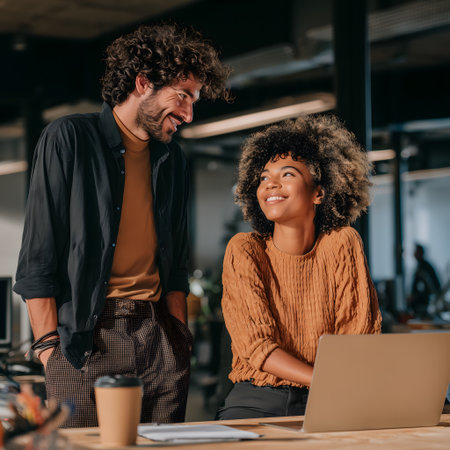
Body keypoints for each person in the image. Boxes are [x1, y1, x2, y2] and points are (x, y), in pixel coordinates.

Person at [14, 23, 230, 428]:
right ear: (143, 83)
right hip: (86, 339)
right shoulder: (70, 138)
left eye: (193, 100)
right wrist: (49, 350)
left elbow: (176, 265)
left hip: (159, 337)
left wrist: (179, 339)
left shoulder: (173, 162)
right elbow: (38, 257)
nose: (188, 113)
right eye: (182, 96)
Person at [217, 115, 382, 419]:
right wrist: (328, 380)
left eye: (288, 174)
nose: (271, 185)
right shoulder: (245, 250)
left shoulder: (341, 243)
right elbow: (258, 348)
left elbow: (358, 336)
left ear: (319, 192)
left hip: (332, 396)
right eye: (264, 177)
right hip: (258, 398)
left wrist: (341, 386)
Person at [408, 244, 441, 318]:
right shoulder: (420, 266)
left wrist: (414, 296)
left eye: (416, 251)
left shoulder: (424, 268)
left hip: (426, 302)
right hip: (424, 300)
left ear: (420, 253)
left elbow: (430, 287)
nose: (413, 253)